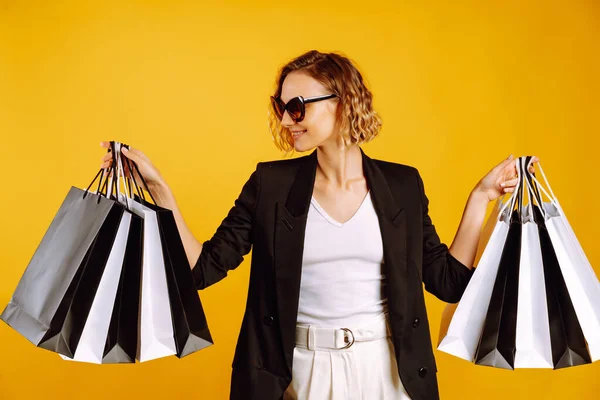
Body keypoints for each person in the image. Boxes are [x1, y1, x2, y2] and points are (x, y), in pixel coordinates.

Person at [100, 50, 535, 400]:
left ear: (341, 102)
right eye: (281, 107)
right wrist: (160, 191)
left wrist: (480, 198)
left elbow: (448, 282)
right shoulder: (270, 185)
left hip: (387, 372)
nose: (287, 120)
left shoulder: (402, 184)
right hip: (296, 373)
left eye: (296, 107)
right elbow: (201, 269)